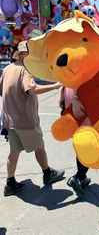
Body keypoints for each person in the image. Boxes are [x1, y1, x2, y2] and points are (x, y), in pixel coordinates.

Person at [0, 41, 65, 196]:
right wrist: (55, 86)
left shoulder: (7, 69)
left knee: (14, 151)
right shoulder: (25, 70)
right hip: (24, 120)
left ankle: (10, 184)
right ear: (24, 55)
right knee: (39, 146)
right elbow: (31, 89)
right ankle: (48, 174)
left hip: (10, 120)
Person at [59, 87, 91, 195]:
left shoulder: (66, 83)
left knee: (81, 150)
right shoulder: (81, 81)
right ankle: (78, 177)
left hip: (71, 121)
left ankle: (82, 178)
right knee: (88, 151)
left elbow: (61, 102)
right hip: (84, 120)